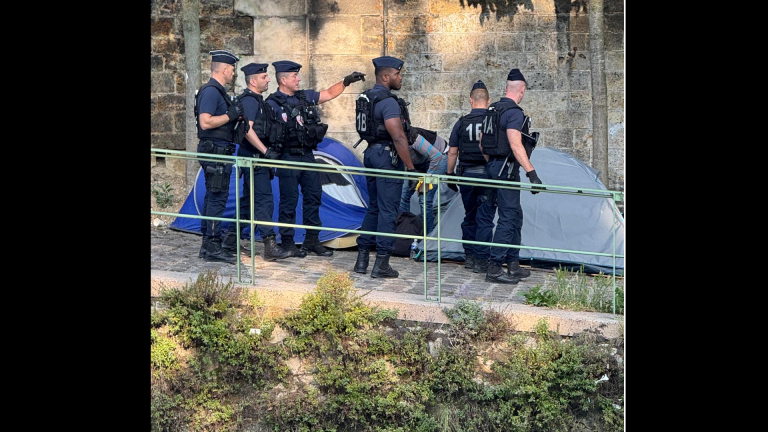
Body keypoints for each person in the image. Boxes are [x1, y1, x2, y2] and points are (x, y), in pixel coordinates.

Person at [266, 60, 366, 257]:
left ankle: (312, 241)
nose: (298, 79)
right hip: (287, 158)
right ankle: (287, 243)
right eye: (294, 76)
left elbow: (328, 93)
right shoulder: (272, 103)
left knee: (313, 197)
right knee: (289, 202)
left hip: (308, 156)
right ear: (283, 79)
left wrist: (346, 81)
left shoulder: (305, 96)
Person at [353, 56, 417, 278]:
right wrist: (410, 167)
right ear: (386, 76)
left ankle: (361, 260)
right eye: (398, 74)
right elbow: (398, 136)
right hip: (386, 157)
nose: (400, 78)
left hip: (371, 153)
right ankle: (381, 263)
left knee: (374, 208)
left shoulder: (368, 97)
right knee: (388, 210)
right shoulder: (388, 102)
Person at [221, 63, 292, 261]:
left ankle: (230, 241)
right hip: (255, 159)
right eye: (264, 77)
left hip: (255, 159)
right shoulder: (251, 101)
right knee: (263, 200)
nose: (268, 79)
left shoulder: (256, 101)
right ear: (253, 81)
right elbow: (247, 129)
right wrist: (265, 151)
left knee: (249, 202)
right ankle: (270, 246)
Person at [479, 68, 543, 283]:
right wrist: (532, 173)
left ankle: (513, 264)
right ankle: (495, 268)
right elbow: (516, 145)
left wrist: (493, 166)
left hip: (492, 170)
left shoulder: (492, 110)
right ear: (522, 90)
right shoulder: (514, 113)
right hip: (506, 172)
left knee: (515, 215)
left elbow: (482, 144)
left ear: (506, 88)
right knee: (507, 218)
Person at [194, 50, 246, 264]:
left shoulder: (217, 91)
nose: (233, 74)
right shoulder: (211, 91)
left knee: (213, 196)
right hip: (215, 151)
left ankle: (208, 244)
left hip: (219, 150)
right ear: (224, 69)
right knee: (217, 197)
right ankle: (213, 245)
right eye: (232, 70)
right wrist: (229, 116)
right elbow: (205, 122)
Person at [446, 80, 494, 274]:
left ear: (470, 101)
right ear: (488, 101)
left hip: (466, 175)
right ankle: (483, 260)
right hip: (488, 176)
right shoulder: (493, 121)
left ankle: (470, 256)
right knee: (485, 218)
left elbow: (452, 152)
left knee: (470, 216)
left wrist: (449, 175)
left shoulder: (462, 122)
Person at [397, 127, 450, 235]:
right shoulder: (392, 143)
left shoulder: (413, 138)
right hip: (419, 163)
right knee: (403, 194)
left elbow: (436, 156)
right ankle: (405, 232)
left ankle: (427, 238)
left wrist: (426, 181)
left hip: (439, 158)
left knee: (424, 199)